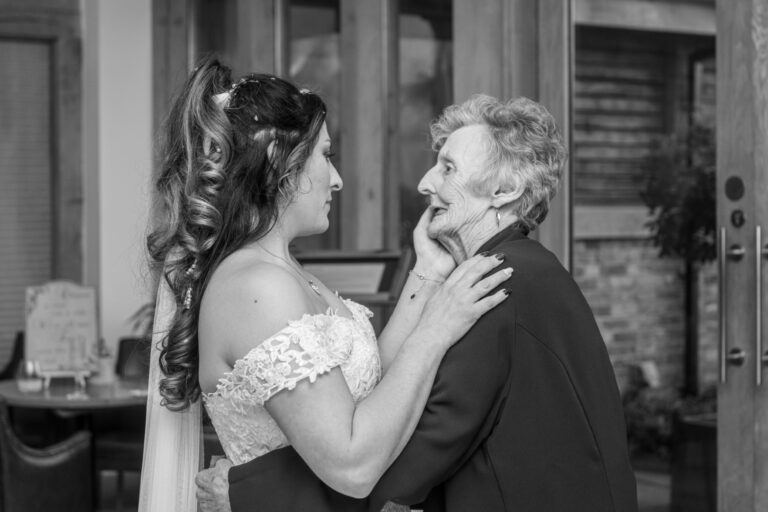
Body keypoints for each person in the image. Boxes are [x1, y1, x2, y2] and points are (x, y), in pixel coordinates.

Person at [195, 94, 639, 512]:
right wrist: (428, 274)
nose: (426, 183)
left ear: (503, 190)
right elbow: (386, 411)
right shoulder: (521, 270)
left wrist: (247, 490)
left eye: (447, 168)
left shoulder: (495, 283)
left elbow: (414, 446)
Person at [137, 56, 513, 512]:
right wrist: (436, 329)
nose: (336, 181)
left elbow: (372, 388)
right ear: (281, 162)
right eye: (326, 156)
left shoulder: (289, 274)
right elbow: (352, 467)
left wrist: (428, 273)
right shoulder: (256, 286)